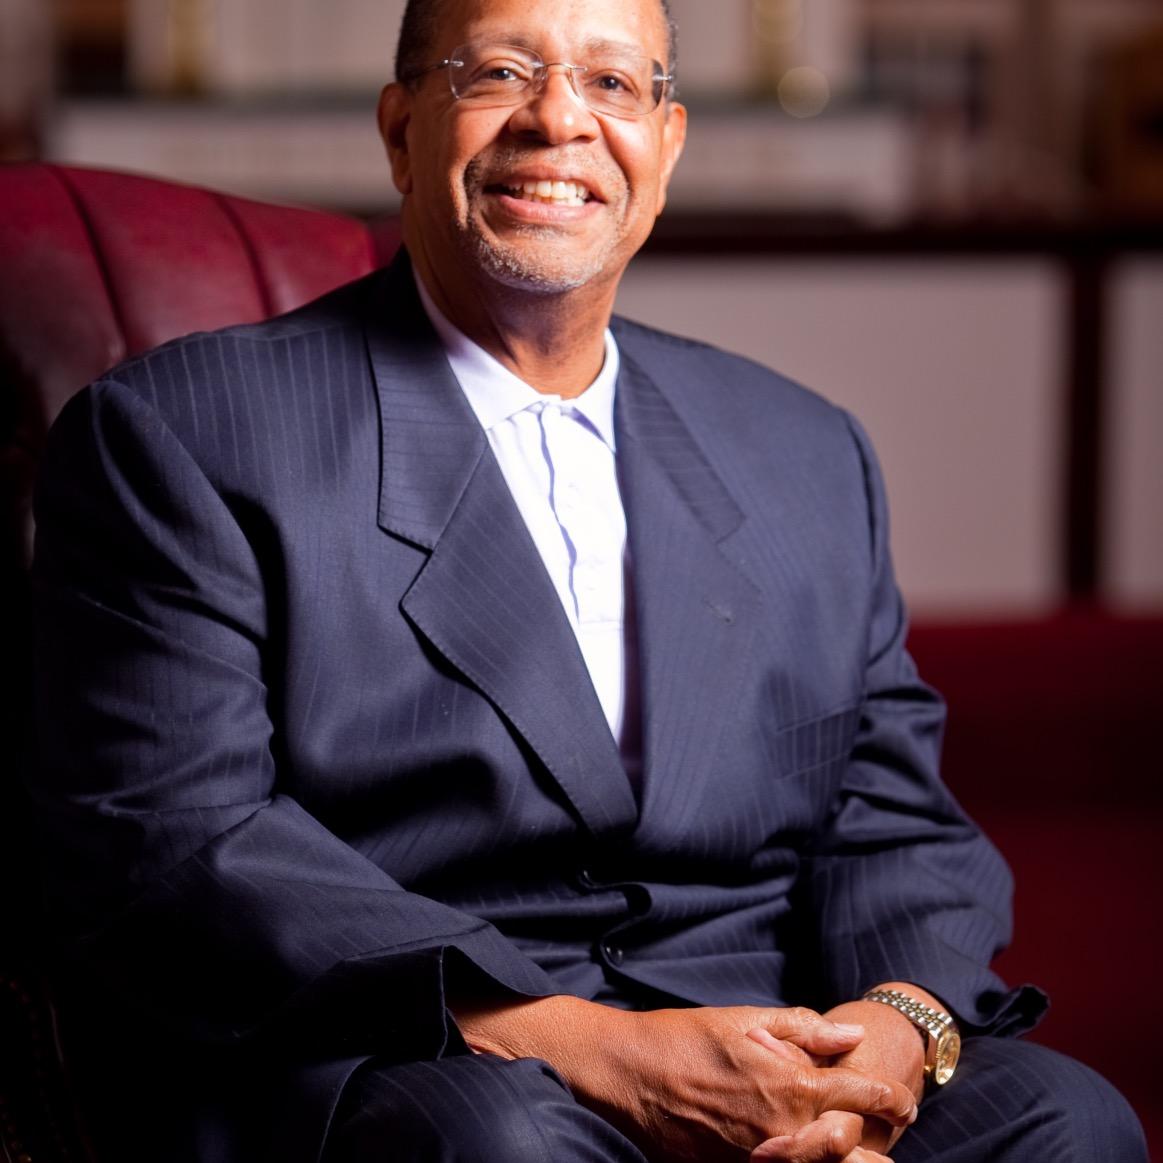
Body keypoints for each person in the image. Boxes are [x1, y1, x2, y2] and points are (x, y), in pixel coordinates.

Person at [30, 1, 1147, 1161]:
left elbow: (890, 815)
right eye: (500, 70)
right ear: (401, 127)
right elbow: (178, 840)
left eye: (614, 84)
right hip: (429, 1048)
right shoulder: (182, 434)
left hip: (775, 1030)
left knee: (1065, 1120)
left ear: (664, 148)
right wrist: (601, 1051)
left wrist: (882, 1039)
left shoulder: (803, 447)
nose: (559, 116)